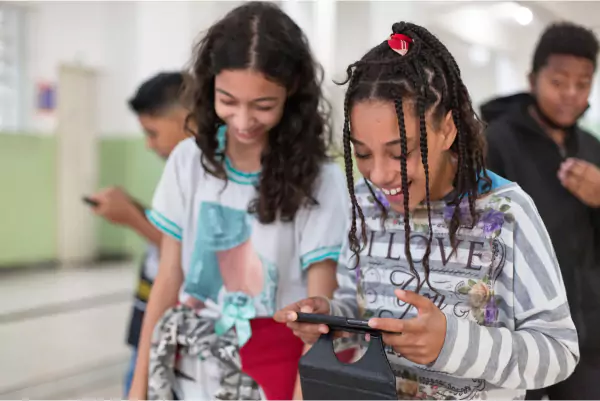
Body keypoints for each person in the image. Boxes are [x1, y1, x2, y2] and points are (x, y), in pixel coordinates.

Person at [275, 21, 579, 400]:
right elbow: (362, 306)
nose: (381, 174)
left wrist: (451, 344)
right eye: (363, 154)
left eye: (400, 152)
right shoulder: (366, 203)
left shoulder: (506, 212)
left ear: (448, 130)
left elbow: (560, 351)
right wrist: (332, 318)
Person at [127, 2, 350, 400]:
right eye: (228, 100)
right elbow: (168, 278)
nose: (244, 121)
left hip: (276, 370)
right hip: (189, 368)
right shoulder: (188, 161)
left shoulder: (319, 179)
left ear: (292, 91)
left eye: (263, 106)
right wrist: (138, 389)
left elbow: (319, 311)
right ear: (209, 83)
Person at [480, 22, 600, 400]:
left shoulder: (592, 147)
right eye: (559, 81)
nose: (570, 93)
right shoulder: (495, 141)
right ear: (533, 79)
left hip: (589, 335)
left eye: (583, 84)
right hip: (518, 333)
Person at [88, 71, 189, 397]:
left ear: (185, 118)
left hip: (175, 324)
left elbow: (186, 252)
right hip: (148, 311)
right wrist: (133, 207)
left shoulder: (204, 174)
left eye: (152, 132)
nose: (148, 144)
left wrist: (131, 217)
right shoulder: (178, 171)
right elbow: (168, 227)